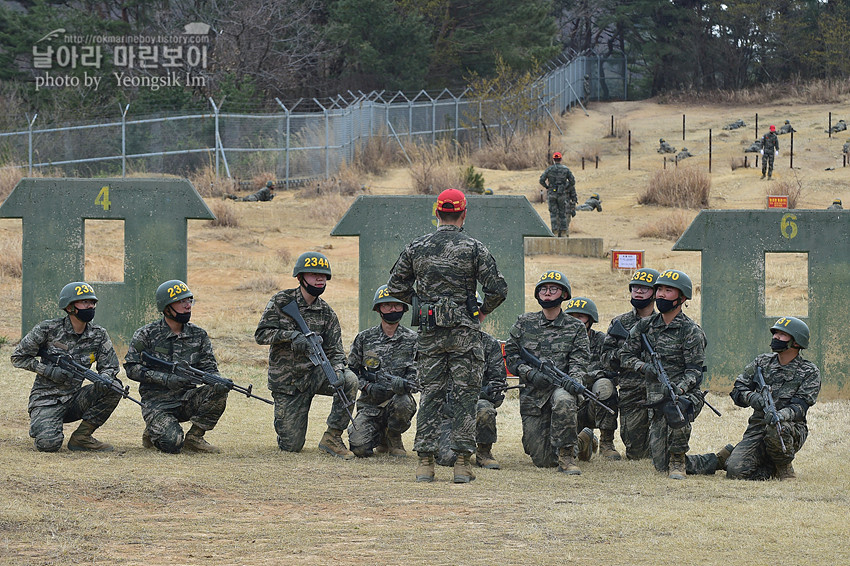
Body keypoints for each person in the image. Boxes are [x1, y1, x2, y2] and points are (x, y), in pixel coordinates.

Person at [386, 188, 508, 483]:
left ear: (436, 213)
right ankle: (462, 464)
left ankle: (425, 464)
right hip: (465, 334)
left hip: (429, 333)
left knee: (431, 394)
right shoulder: (475, 248)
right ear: (463, 214)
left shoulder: (416, 247)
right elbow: (497, 290)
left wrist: (421, 304)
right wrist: (479, 313)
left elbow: (395, 285)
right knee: (466, 396)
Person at [255, 252, 359, 459]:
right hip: (288, 383)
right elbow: (261, 334)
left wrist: (337, 369)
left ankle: (332, 436)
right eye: (314, 275)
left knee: (348, 380)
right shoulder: (281, 301)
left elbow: (336, 351)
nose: (320, 279)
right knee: (291, 446)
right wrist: (291, 336)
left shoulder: (326, 312)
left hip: (315, 376)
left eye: (323, 276)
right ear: (300, 277)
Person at [11, 282, 122, 452]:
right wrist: (47, 371)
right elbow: (18, 357)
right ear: (70, 307)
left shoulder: (98, 334)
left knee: (114, 387)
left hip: (75, 400)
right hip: (46, 400)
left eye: (92, 303)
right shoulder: (48, 329)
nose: (90, 306)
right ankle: (43, 424)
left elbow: (110, 366)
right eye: (84, 302)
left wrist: (105, 378)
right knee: (48, 445)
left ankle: (82, 437)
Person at [619, 269, 706, 479]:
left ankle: (679, 461)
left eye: (668, 291)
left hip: (683, 394)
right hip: (655, 395)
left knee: (678, 408)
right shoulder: (645, 326)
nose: (661, 295)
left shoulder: (691, 330)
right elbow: (625, 355)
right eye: (659, 290)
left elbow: (695, 371)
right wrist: (643, 367)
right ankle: (714, 460)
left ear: (682, 298)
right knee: (659, 464)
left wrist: (680, 387)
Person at [124, 280, 229, 453]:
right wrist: (165, 379)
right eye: (181, 302)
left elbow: (209, 366)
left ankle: (195, 437)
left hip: (187, 398)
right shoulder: (146, 334)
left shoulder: (199, 335)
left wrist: (217, 379)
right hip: (157, 403)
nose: (188, 306)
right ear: (166, 307)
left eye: (189, 300)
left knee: (220, 390)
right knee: (173, 444)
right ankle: (154, 429)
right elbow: (131, 368)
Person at [504, 270, 591, 474]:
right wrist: (529, 373)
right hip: (533, 394)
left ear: (564, 295)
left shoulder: (575, 327)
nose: (547, 293)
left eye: (553, 289)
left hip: (561, 388)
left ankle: (568, 455)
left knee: (564, 400)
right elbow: (511, 356)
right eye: (543, 289)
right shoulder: (524, 322)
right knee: (542, 460)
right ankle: (583, 440)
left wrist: (573, 382)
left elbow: (580, 361)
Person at [723, 317, 820, 480]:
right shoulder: (762, 362)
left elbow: (800, 407)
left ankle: (783, 466)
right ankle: (738, 459)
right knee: (735, 471)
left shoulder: (809, 371)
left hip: (789, 429)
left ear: (796, 342)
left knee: (777, 426)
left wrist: (780, 415)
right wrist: (751, 397)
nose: (776, 337)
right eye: (776, 333)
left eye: (782, 335)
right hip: (758, 427)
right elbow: (737, 390)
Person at [346, 285, 418, 458]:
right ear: (378, 309)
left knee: (404, 402)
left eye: (397, 305)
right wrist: (367, 387)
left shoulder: (414, 340)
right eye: (387, 305)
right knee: (359, 449)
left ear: (404, 308)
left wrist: (404, 385)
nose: (392, 309)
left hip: (397, 402)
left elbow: (418, 375)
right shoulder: (364, 338)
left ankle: (393, 436)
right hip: (370, 405)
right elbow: (352, 371)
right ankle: (380, 437)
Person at [601, 268, 659, 461]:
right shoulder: (620, 323)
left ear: (655, 293)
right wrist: (627, 354)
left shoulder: (664, 322)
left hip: (659, 390)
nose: (638, 291)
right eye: (635, 287)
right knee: (636, 454)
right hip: (631, 390)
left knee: (659, 451)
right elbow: (606, 358)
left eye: (644, 288)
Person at [435, 327, 508, 470]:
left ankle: (484, 452)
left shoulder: (489, 343)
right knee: (449, 459)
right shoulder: (440, 342)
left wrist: (484, 394)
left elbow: (498, 382)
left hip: (475, 406)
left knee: (485, 408)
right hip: (447, 411)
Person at [565, 296, 619, 460]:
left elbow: (611, 372)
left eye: (580, 317)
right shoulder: (562, 342)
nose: (576, 321)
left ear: (590, 319)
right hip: (570, 401)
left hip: (596, 402)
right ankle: (585, 441)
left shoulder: (602, 341)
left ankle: (606, 443)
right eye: (572, 317)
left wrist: (586, 378)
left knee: (605, 385)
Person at [538, 152, 577, 237]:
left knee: (553, 213)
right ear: (561, 159)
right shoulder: (566, 169)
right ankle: (563, 232)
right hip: (561, 194)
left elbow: (541, 180)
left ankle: (554, 232)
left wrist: (547, 187)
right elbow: (572, 181)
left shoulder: (549, 169)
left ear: (553, 159)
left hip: (552, 193)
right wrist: (565, 187)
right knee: (562, 212)